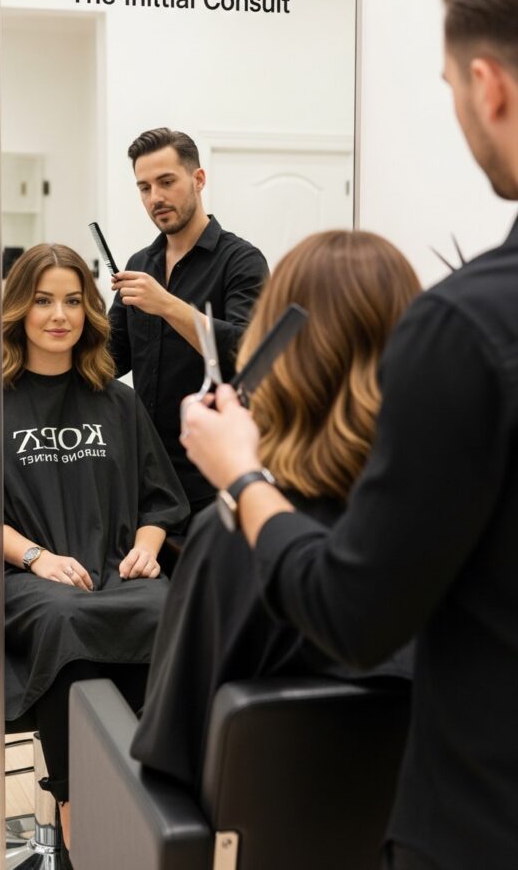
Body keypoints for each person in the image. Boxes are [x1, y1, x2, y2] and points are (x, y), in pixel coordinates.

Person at [179, 0, 518, 870]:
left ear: (487, 85)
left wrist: (240, 478)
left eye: (449, 90)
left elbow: (354, 613)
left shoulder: (471, 327)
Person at [131, 229, 419, 794]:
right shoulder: (455, 518)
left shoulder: (231, 535)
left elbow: (169, 752)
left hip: (249, 828)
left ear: (272, 352)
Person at [2, 243, 189, 860]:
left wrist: (146, 550)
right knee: (65, 618)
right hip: (29, 576)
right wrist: (38, 558)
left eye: (73, 301)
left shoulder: (118, 401)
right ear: (19, 309)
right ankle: (75, 804)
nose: (60, 315)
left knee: (163, 608)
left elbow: (160, 501)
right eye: (43, 301)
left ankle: (151, 791)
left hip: (113, 568)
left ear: (90, 311)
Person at [108, 127, 269, 517]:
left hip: (212, 476)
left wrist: (166, 304)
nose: (155, 198)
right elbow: (113, 358)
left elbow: (246, 353)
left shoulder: (241, 261)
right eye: (144, 188)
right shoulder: (139, 264)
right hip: (146, 473)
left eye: (166, 182)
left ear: (198, 179)